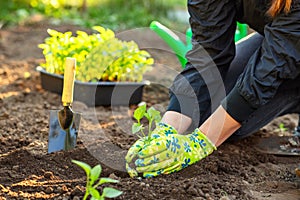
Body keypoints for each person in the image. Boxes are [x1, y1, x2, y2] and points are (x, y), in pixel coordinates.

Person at [125, 0, 300, 178]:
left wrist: (201, 143)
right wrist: (166, 130)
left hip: (290, 44)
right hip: (286, 42)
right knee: (210, 114)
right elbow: (207, 54)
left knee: (221, 124)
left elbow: (268, 72)